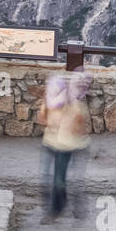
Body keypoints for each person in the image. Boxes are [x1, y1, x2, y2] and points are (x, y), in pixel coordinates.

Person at [37, 69, 91, 219]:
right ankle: (58, 207)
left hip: (66, 146)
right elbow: (43, 119)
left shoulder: (73, 106)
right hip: (50, 143)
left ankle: (58, 209)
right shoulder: (51, 102)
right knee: (47, 178)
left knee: (59, 181)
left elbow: (79, 128)